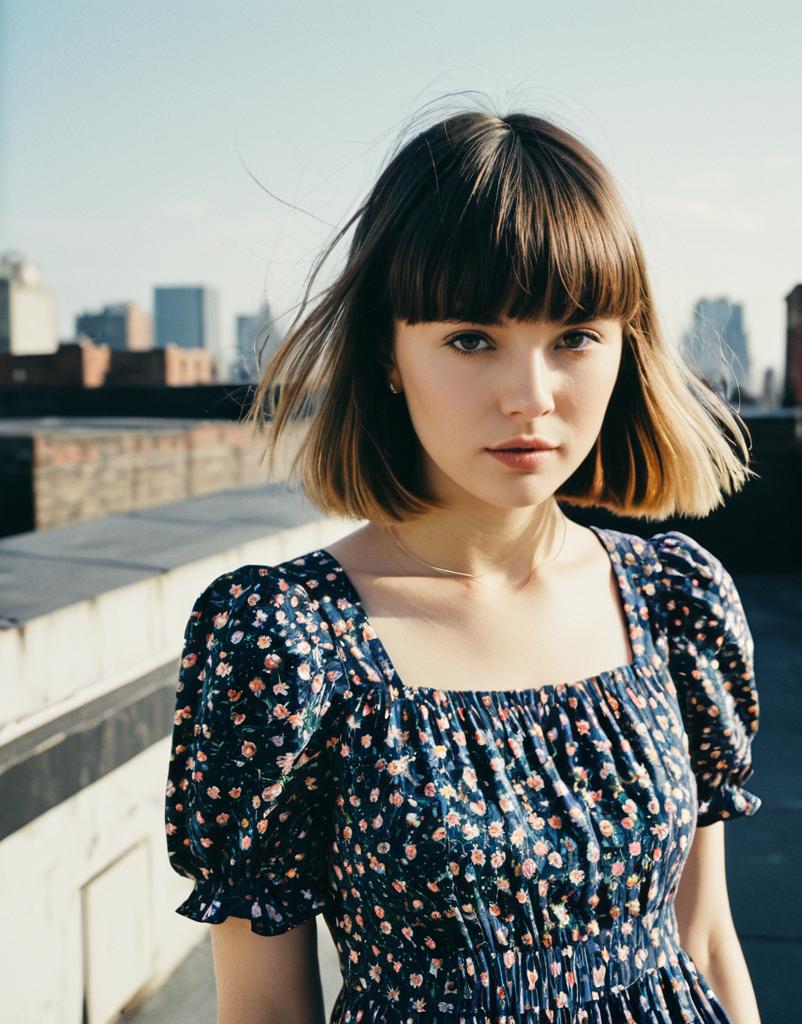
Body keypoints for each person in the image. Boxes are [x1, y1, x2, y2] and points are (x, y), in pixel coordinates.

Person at [164, 107, 763, 1024]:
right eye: (471, 339)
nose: (531, 397)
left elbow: (708, 939)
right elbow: (264, 1011)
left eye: (574, 337)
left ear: (626, 347)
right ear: (388, 355)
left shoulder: (675, 601)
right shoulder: (285, 643)